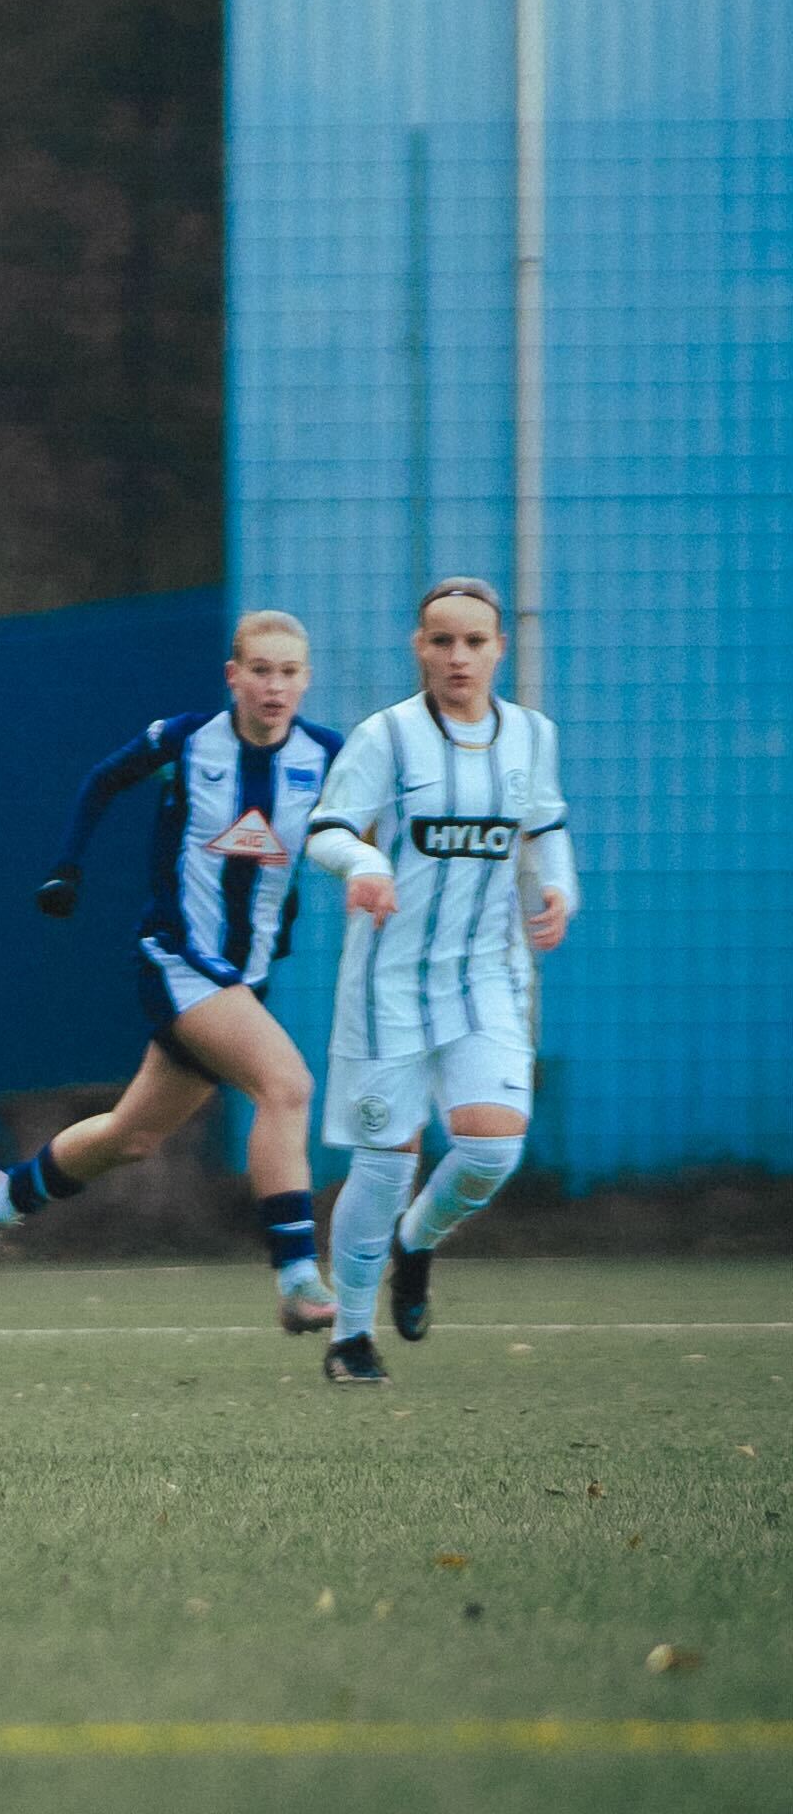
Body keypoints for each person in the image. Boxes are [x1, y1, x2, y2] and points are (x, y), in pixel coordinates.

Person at [0, 612, 343, 1328]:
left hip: (242, 979)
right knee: (285, 1085)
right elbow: (102, 780)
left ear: (305, 679)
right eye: (259, 669)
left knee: (129, 1136)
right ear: (233, 676)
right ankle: (296, 1277)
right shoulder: (187, 740)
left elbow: (376, 827)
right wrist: (67, 867)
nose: (274, 685)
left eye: (288, 672)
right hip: (176, 959)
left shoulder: (327, 757)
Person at [300, 577, 576, 1387]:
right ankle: (349, 1337)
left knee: (490, 1149)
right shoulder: (384, 736)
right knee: (382, 1162)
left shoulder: (530, 735)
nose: (458, 656)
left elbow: (544, 828)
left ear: (498, 648)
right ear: (418, 647)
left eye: (473, 642)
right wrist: (363, 861)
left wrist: (557, 889)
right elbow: (326, 827)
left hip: (487, 975)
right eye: (441, 641)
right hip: (387, 981)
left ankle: (413, 1242)